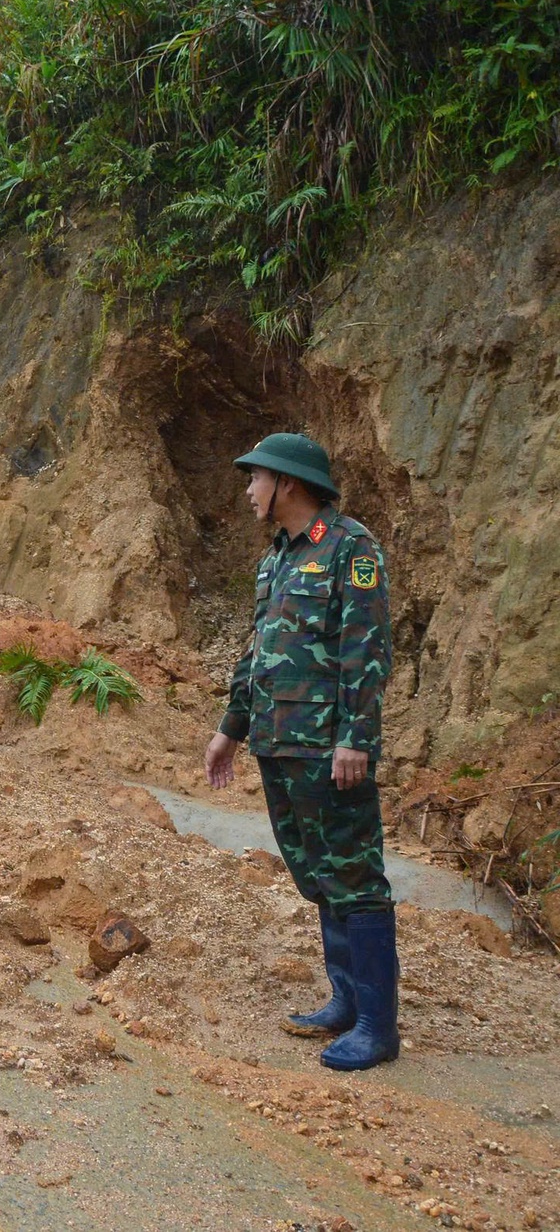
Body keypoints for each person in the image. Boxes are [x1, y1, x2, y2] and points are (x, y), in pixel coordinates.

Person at [203, 432, 396, 1072]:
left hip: (327, 747)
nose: (248, 490)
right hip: (277, 742)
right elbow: (257, 653)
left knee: (354, 877)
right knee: (317, 873)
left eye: (254, 478)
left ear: (286, 481)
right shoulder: (277, 560)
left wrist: (355, 739)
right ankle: (344, 1002)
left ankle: (376, 1025)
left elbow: (365, 651)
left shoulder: (351, 549)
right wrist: (231, 728)